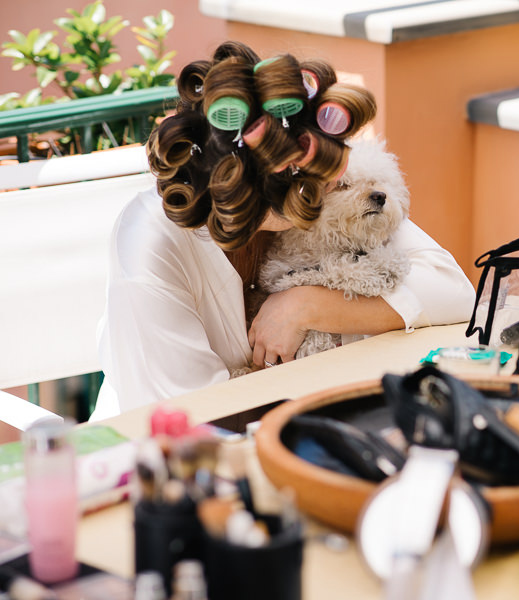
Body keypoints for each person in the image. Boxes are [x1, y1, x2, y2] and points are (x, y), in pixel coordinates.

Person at [91, 41, 475, 420]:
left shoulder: (314, 184)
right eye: (312, 186)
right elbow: (194, 416)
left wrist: (306, 306)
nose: (327, 193)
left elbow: (452, 290)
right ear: (247, 189)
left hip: (309, 414)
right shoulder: (150, 243)